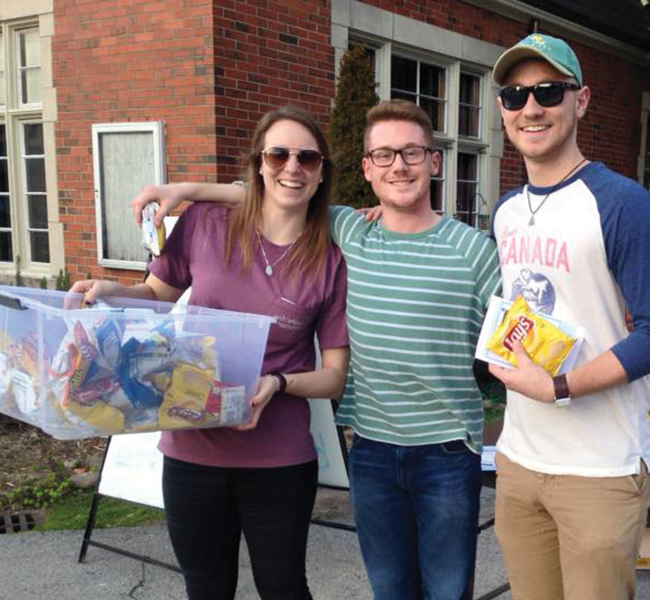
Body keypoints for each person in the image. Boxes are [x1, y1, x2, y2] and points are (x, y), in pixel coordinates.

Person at [130, 99, 501, 600]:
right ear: (367, 168)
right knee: (387, 589)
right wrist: (184, 191)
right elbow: (270, 194)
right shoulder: (348, 230)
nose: (399, 166)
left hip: (443, 451)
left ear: (434, 161)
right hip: (367, 447)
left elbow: (521, 330)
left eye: (412, 153)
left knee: (444, 590)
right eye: (385, 155)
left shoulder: (463, 248)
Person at [72, 105, 350, 600]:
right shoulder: (207, 222)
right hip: (192, 447)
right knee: (206, 588)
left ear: (321, 170)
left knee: (284, 588)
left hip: (278, 458)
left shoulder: (330, 257)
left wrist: (279, 383)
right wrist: (111, 288)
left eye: (306, 158)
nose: (292, 167)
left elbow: (333, 377)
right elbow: (158, 295)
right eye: (278, 154)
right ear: (259, 163)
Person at [486, 33, 650, 600]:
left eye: (548, 91)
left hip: (600, 467)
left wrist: (561, 386)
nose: (530, 107)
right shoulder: (505, 211)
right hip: (520, 459)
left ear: (581, 100)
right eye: (515, 94)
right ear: (502, 108)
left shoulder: (621, 202)